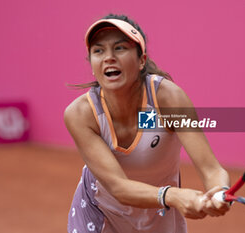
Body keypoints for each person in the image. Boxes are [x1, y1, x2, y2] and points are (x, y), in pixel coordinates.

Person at [64, 13, 231, 233]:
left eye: (120, 48)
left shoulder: (167, 100)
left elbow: (211, 169)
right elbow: (118, 186)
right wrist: (173, 195)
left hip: (158, 214)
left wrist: (219, 192)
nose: (108, 57)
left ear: (141, 60)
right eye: (98, 50)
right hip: (100, 214)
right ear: (92, 64)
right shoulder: (81, 114)